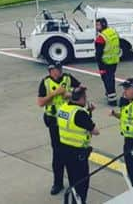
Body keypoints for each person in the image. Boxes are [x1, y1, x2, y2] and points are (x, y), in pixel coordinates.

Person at [37, 62, 81, 195]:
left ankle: (74, 181)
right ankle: (58, 183)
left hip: (68, 122)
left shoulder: (68, 78)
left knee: (70, 152)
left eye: (60, 69)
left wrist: (70, 93)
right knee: (58, 154)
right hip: (54, 123)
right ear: (50, 71)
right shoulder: (45, 82)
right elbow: (40, 102)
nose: (59, 71)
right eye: (56, 69)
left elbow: (81, 89)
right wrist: (54, 93)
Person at [57, 86, 99, 204]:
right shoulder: (80, 113)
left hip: (65, 150)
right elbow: (95, 131)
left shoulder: (63, 109)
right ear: (82, 98)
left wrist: (87, 112)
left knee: (73, 181)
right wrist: (89, 112)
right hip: (78, 154)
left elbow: (74, 125)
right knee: (82, 184)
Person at [95, 17, 120, 106]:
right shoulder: (113, 32)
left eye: (98, 25)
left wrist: (100, 65)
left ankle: (112, 99)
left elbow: (98, 54)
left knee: (107, 80)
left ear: (103, 25)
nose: (96, 27)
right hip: (114, 60)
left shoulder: (101, 37)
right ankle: (110, 94)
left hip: (105, 62)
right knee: (111, 78)